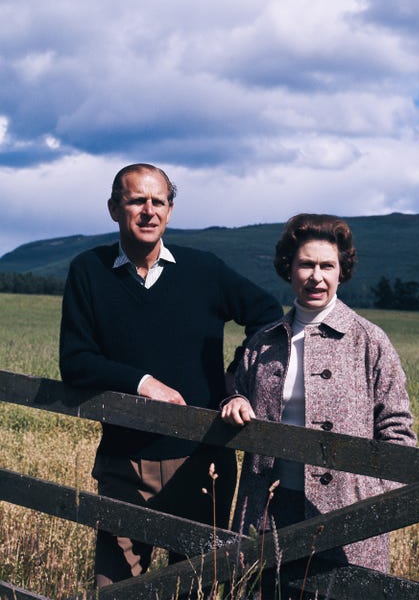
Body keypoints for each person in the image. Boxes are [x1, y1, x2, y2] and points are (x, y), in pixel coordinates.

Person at [59, 163, 283, 587]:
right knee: (116, 588)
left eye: (157, 201)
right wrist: (142, 382)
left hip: (203, 459)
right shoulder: (89, 270)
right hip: (124, 460)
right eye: (136, 201)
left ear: (170, 209)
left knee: (197, 586)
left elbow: (268, 317)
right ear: (113, 209)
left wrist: (236, 381)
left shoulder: (204, 271)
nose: (148, 211)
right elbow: (74, 360)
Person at [221, 213, 416, 573]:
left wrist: (369, 506)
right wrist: (235, 400)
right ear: (288, 269)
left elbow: (398, 434)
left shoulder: (369, 341)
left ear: (342, 270)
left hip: (346, 519)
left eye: (328, 265)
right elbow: (240, 396)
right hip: (267, 513)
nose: (316, 276)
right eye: (306, 265)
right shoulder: (262, 343)